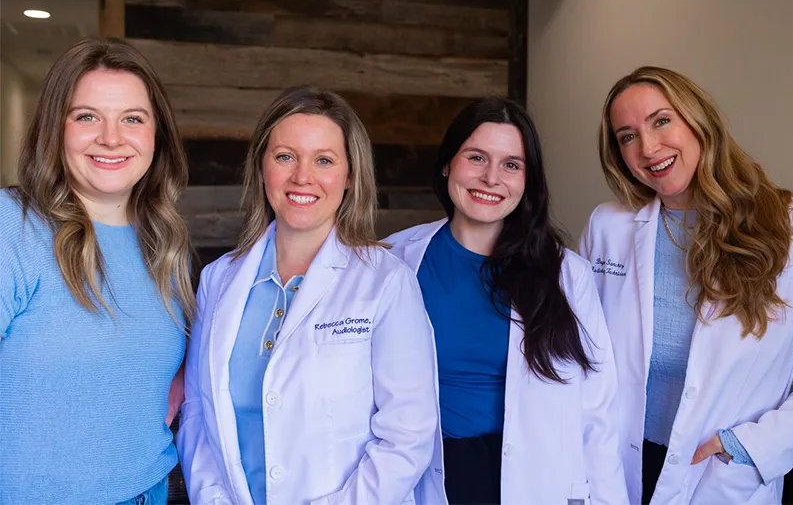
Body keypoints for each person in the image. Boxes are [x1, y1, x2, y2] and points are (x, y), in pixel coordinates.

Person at [177, 86, 439, 505]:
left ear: (350, 175)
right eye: (285, 156)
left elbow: (407, 436)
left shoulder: (386, 282)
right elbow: (197, 416)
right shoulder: (218, 280)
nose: (303, 177)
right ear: (262, 166)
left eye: (324, 160)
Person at [386, 97, 627, 505]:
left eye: (511, 165)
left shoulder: (567, 275)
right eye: (476, 157)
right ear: (448, 164)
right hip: (428, 473)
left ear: (527, 181)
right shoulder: (395, 260)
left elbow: (597, 412)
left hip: (534, 476)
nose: (491, 178)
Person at [580, 65, 793, 504]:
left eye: (661, 121)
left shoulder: (789, 226)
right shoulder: (608, 226)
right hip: (617, 466)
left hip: (719, 473)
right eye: (627, 136)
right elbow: (579, 350)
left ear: (699, 122)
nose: (648, 147)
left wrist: (752, 447)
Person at [0, 37, 194, 504]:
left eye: (132, 118)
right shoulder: (14, 226)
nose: (112, 137)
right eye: (87, 116)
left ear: (156, 135)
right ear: (55, 129)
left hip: (148, 489)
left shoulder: (166, 246)